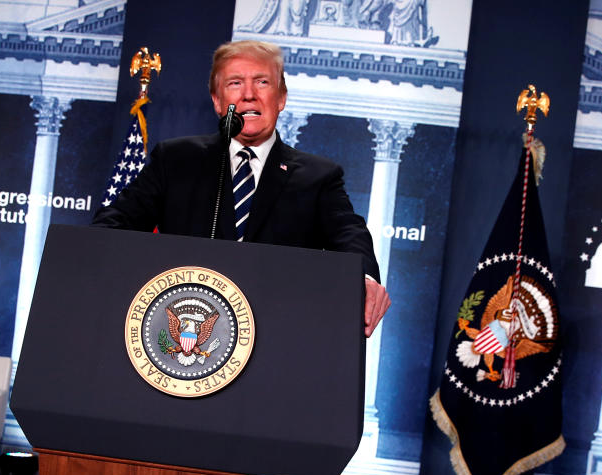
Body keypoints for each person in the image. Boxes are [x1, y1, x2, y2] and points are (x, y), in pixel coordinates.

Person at [92, 39, 390, 336]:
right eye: (235, 83)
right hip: (186, 335)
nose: (249, 95)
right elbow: (116, 222)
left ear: (281, 97)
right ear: (217, 101)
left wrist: (363, 278)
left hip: (275, 337)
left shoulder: (318, 177)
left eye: (262, 82)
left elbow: (349, 234)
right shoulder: (176, 160)